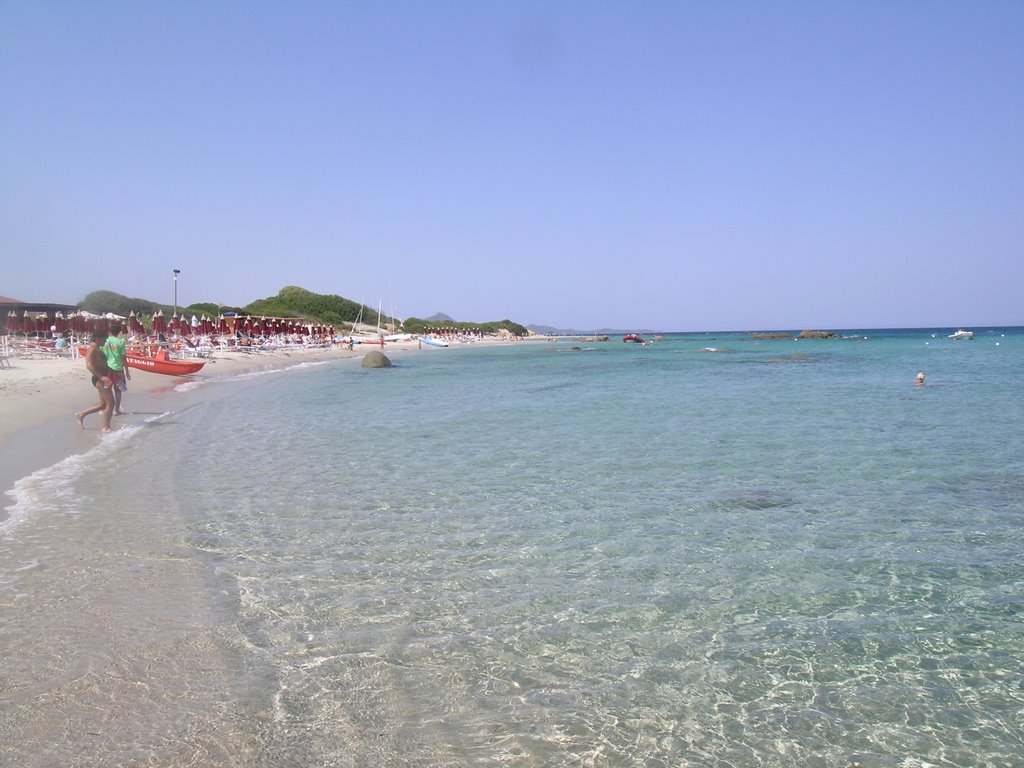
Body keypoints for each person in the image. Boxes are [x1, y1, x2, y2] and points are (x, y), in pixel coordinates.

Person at [75, 330, 114, 433]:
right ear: (97, 339)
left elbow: (101, 363)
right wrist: (101, 377)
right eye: (104, 339)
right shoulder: (92, 349)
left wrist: (114, 372)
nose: (105, 341)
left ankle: (81, 414)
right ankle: (106, 427)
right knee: (111, 402)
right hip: (99, 379)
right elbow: (89, 365)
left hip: (103, 378)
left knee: (103, 405)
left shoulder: (97, 349)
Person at [103, 322, 131, 415]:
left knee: (107, 388)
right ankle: (117, 410)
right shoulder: (120, 342)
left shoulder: (105, 341)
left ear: (110, 332)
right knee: (118, 390)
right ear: (119, 332)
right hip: (118, 368)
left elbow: (101, 354)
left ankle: (105, 408)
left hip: (106, 368)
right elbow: (124, 358)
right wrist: (127, 372)